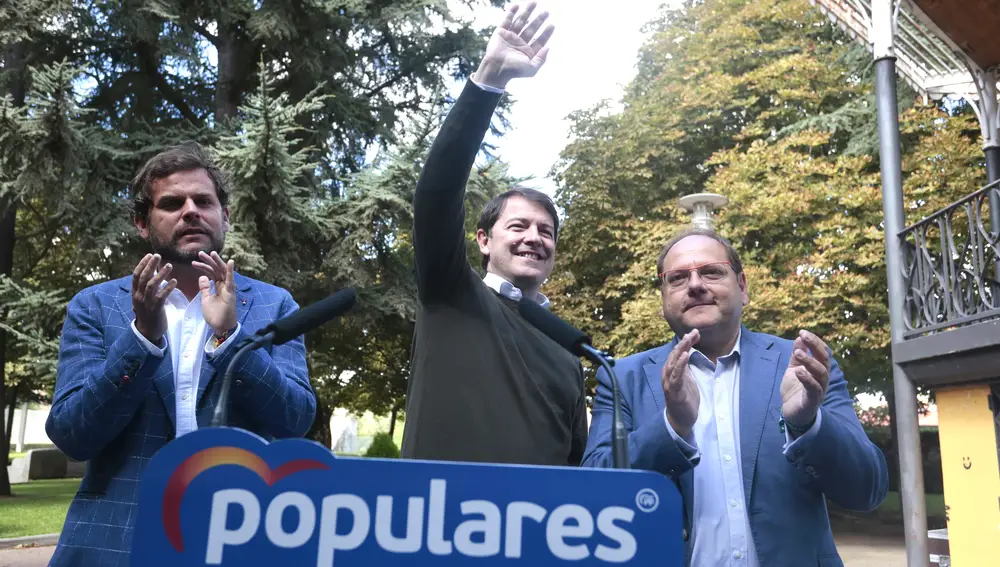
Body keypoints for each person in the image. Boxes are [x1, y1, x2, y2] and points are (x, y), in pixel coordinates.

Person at [44, 142, 317, 567]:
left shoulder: (274, 306)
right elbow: (72, 434)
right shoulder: (95, 306)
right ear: (142, 223)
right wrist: (142, 338)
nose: (191, 211)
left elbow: (295, 419)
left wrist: (229, 336)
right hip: (117, 542)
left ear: (224, 216)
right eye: (172, 203)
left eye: (204, 201)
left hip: (238, 539)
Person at [581, 227, 888, 567]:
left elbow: (868, 491)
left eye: (712, 272)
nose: (695, 285)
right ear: (663, 297)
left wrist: (807, 425)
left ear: (742, 288)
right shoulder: (623, 377)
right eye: (678, 278)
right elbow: (594, 494)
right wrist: (672, 426)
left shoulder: (801, 364)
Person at [400, 2, 588, 466]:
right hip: (435, 524)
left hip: (540, 531)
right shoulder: (451, 294)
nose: (534, 238)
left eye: (546, 231)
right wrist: (490, 78)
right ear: (483, 241)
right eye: (518, 226)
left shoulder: (569, 350)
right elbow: (436, 195)